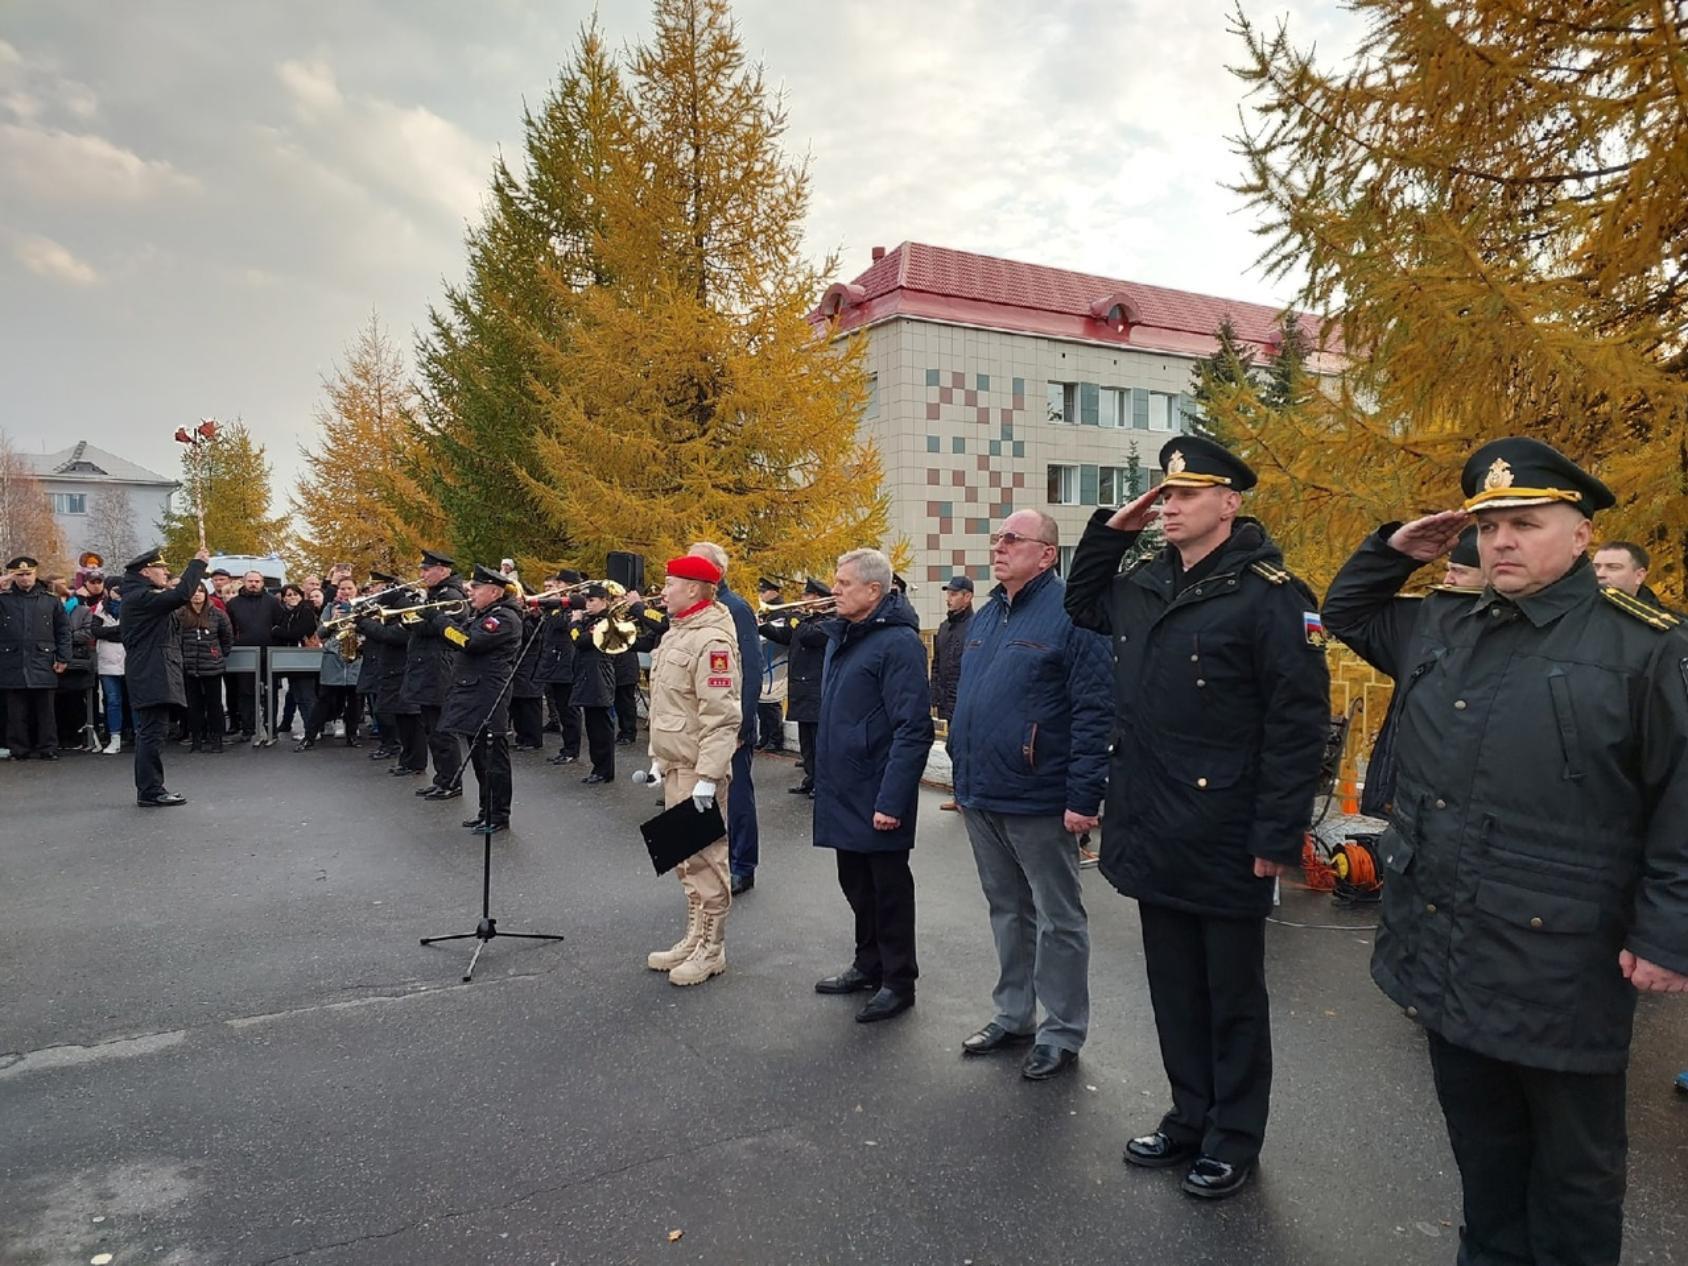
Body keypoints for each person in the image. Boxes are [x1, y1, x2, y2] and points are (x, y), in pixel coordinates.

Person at [1322, 436, 1688, 1263]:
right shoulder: (1450, 621)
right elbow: (1348, 615)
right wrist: (1391, 550)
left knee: (1574, 1177)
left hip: (1564, 960)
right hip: (1449, 944)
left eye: (1526, 523)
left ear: (1583, 535)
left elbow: (1682, 797)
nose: (1503, 543)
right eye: (1490, 529)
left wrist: (1668, 932)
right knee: (1483, 1159)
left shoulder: (1649, 645)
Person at [1064, 435, 1330, 1200]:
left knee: (1232, 997)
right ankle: (1188, 1117)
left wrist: (1278, 835)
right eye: (1165, 494)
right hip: (1150, 817)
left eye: (1185, 495)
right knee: (1174, 986)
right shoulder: (1146, 578)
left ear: (1230, 503)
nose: (1170, 506)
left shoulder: (1272, 595)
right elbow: (1083, 602)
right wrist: (1115, 527)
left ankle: (1234, 1137)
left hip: (1226, 829)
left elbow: (1296, 724)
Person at [949, 510, 1112, 1080]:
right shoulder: (988, 613)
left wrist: (1084, 796)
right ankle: (1013, 1013)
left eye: (1013, 539)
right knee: (1006, 909)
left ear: (1046, 554)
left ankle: (1061, 1031)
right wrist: (960, 776)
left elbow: (1095, 711)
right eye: (997, 538)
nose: (1000, 546)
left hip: (1041, 794)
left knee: (1057, 917)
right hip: (981, 789)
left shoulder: (1073, 613)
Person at [812, 548, 934, 1024]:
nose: (835, 590)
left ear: (874, 591)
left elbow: (913, 728)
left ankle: (899, 981)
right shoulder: (846, 635)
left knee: (888, 890)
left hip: (877, 790)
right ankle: (868, 963)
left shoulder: (897, 643)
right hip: (846, 787)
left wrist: (892, 800)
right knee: (855, 882)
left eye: (843, 583)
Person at [642, 553, 743, 985]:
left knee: (706, 860)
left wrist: (708, 776)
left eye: (670, 584)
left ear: (694, 589)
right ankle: (693, 936)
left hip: (699, 770)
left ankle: (712, 948)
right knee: (684, 859)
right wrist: (657, 758)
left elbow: (721, 716)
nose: (662, 592)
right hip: (676, 766)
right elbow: (670, 706)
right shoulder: (678, 633)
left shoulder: (712, 641)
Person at [1357, 525, 1485, 820]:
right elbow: (1346, 611)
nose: (1447, 579)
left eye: (1459, 572)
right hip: (1414, 805)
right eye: (1448, 568)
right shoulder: (1425, 621)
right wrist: (1394, 555)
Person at [689, 541, 764, 896]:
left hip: (728, 723)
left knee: (735, 795)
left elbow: (750, 671)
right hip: (695, 724)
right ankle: (701, 868)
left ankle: (741, 866)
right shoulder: (692, 613)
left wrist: (742, 726)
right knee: (697, 795)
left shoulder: (735, 609)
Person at [121, 546, 211, 806]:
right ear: (146, 571)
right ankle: (150, 791)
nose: (165, 572)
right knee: (152, 732)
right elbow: (182, 594)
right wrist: (197, 565)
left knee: (153, 731)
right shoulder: (141, 597)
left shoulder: (143, 596)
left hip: (155, 669)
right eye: (161, 568)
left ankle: (151, 788)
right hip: (151, 670)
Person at [441, 565, 524, 833]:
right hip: (473, 692)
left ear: (494, 591)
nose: (470, 591)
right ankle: (485, 809)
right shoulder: (484, 614)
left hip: (488, 693)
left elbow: (469, 642)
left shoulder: (503, 618)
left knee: (493, 759)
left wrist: (441, 624)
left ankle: (498, 815)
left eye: (476, 588)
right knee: (480, 757)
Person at [403, 550, 469, 801]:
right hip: (428, 667)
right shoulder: (435, 594)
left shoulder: (450, 595)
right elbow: (416, 623)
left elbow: (433, 627)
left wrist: (416, 619)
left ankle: (451, 781)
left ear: (442, 569)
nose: (422, 574)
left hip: (439, 669)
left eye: (426, 569)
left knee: (442, 731)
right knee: (432, 729)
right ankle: (442, 778)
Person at [760, 577, 830, 795]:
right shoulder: (806, 621)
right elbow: (784, 636)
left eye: (807, 596)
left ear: (818, 599)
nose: (803, 600)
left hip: (816, 686)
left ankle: (822, 782)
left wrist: (794, 619)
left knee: (819, 740)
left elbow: (810, 637)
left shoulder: (828, 621)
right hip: (800, 687)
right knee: (806, 739)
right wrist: (762, 626)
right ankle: (810, 778)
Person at [0, 555, 70, 759]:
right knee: (15, 711)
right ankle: (18, 748)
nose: (24, 579)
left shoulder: (50, 600)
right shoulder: (4, 600)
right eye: (19, 575)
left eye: (28, 574)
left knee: (45, 710)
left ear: (35, 573)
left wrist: (63, 657)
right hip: (11, 660)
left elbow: (63, 630)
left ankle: (47, 747)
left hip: (43, 660)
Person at [359, 583, 427, 777]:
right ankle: (407, 760)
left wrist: (364, 622)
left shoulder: (406, 614)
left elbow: (393, 635)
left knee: (411, 722)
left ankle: (415, 762)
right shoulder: (393, 614)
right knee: (401, 720)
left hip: (403, 672)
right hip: (393, 672)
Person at [931, 574, 976, 811]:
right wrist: (935, 695)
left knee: (968, 747)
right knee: (954, 746)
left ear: (967, 597)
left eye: (953, 594)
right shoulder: (944, 627)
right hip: (948, 698)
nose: (948, 598)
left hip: (968, 699)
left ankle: (970, 795)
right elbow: (937, 663)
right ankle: (960, 795)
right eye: (948, 593)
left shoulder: (976, 626)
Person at [223, 570, 283, 743]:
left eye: (257, 581)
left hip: (269, 652)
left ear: (262, 583)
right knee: (246, 692)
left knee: (270, 692)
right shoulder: (234, 603)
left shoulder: (272, 602)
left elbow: (279, 625)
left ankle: (271, 727)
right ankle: (248, 728)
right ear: (244, 582)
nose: (253, 584)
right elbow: (229, 628)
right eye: (250, 581)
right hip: (244, 653)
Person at [304, 578, 364, 751]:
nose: (345, 591)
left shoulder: (363, 608)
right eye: (342, 588)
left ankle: (352, 736)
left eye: (349, 588)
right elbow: (320, 633)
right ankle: (310, 736)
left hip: (355, 659)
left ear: (355, 590)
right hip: (333, 659)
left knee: (355, 700)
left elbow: (370, 629)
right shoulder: (330, 608)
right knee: (324, 700)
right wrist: (333, 620)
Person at [570, 585, 619, 783]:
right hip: (589, 674)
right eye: (587, 601)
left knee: (601, 726)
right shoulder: (592, 620)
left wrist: (574, 624)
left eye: (592, 601)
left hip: (599, 675)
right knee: (592, 725)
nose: (587, 605)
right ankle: (598, 767)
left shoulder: (605, 621)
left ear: (604, 601)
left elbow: (580, 641)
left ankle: (604, 770)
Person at [178, 583, 233, 752]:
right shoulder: (180, 614)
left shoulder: (217, 614)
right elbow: (174, 638)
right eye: (193, 592)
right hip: (188, 666)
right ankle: (196, 740)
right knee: (193, 706)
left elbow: (227, 638)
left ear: (206, 594)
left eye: (200, 591)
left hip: (212, 667)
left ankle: (217, 740)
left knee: (214, 705)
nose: (197, 595)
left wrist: (217, 654)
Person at [535, 570, 583, 765]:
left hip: (566, 662)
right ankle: (566, 747)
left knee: (568, 709)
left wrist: (554, 603)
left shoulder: (575, 603)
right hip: (554, 661)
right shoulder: (558, 605)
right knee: (560, 707)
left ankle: (572, 750)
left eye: (560, 583)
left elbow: (564, 624)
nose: (556, 586)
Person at [272, 584, 320, 742]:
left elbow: (298, 633)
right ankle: (310, 728)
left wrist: (278, 632)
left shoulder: (305, 611)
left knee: (307, 695)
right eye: (288, 595)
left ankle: (312, 730)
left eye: (295, 594)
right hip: (292, 660)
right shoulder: (287, 613)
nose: (292, 597)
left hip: (304, 659)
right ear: (283, 598)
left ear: (301, 596)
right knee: (298, 695)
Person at [88, 575, 127, 754]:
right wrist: (117, 631)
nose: (117, 593)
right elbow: (95, 631)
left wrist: (110, 632)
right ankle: (115, 737)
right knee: (113, 700)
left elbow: (132, 631)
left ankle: (138, 734)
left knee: (135, 700)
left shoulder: (132, 606)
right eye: (114, 589)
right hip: (108, 660)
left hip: (130, 658)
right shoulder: (100, 608)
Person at [1593, 539, 1679, 614]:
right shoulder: (1581, 613)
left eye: (1613, 567)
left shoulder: (1668, 628)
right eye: (1596, 567)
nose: (1599, 574)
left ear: (1639, 576)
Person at [753, 577, 788, 751]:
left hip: (776, 659)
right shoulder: (766, 611)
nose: (761, 595)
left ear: (774, 592)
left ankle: (775, 738)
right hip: (764, 658)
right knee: (761, 702)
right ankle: (765, 736)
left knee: (771, 702)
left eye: (764, 591)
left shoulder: (781, 611)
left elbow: (778, 633)